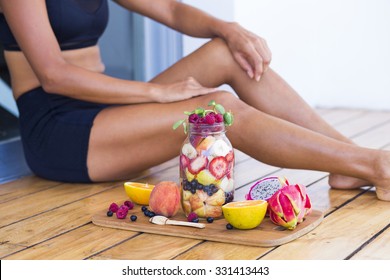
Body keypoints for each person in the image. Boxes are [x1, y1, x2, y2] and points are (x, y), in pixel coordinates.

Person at [0, 0, 389, 201]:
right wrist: (157, 93)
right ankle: (375, 165)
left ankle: (349, 161)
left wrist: (229, 28)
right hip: (60, 131)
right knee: (217, 109)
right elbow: (53, 74)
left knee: (225, 52)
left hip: (105, 110)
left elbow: (170, 8)